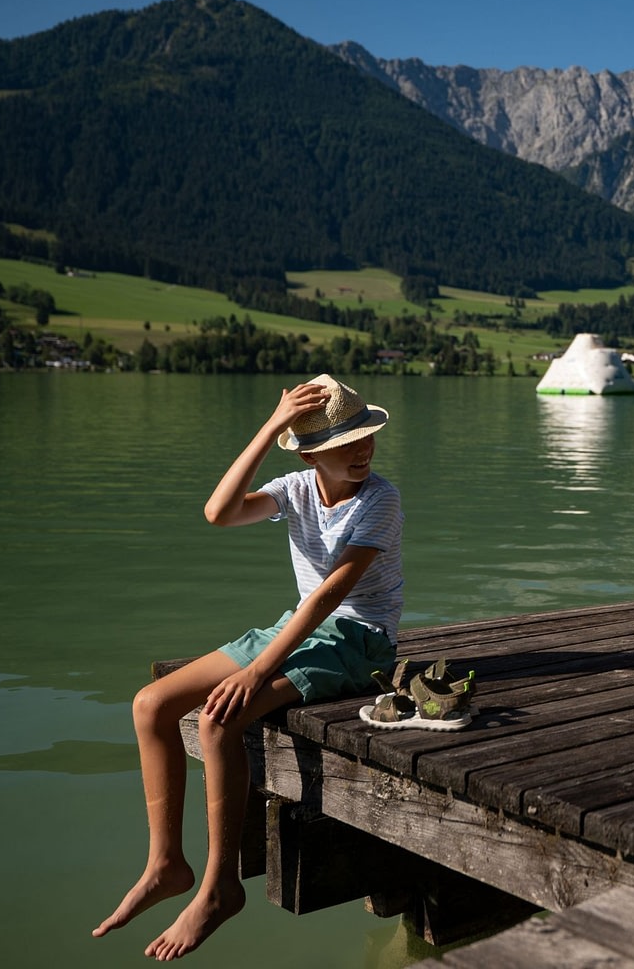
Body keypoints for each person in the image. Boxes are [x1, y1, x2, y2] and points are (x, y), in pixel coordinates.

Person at [94, 375, 403, 960]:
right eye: (344, 443)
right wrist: (271, 426)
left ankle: (219, 887)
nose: (362, 449)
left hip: (360, 640)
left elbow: (328, 597)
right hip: (299, 624)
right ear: (309, 454)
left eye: (366, 437)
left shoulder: (380, 500)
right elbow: (219, 513)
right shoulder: (295, 488)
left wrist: (259, 669)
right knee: (150, 704)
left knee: (218, 720)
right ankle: (165, 863)